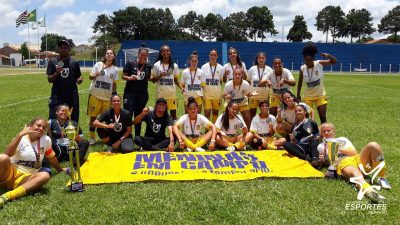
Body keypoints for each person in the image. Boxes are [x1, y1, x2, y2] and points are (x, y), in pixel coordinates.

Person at [317, 122, 391, 203]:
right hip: (343, 162)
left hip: (357, 158)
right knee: (355, 174)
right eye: (324, 131)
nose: (327, 133)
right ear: (321, 133)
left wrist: (337, 149)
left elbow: (354, 153)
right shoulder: (321, 146)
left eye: (329, 130)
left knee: (374, 145)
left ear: (334, 132)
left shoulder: (343, 139)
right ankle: (370, 192)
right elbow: (328, 164)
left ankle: (383, 177)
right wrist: (322, 160)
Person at [0, 118, 64, 208]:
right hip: (9, 173)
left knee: (45, 175)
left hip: (25, 177)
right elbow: (7, 154)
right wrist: (20, 135)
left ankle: (6, 197)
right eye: (38, 125)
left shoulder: (46, 140)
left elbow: (51, 157)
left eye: (44, 128)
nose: (41, 128)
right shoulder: (21, 138)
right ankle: (5, 184)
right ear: (30, 126)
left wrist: (60, 170)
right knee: (3, 157)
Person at [297, 43, 337, 124]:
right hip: (308, 96)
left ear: (313, 59)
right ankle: (308, 134)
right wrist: (298, 95)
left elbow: (334, 62)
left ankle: (325, 135)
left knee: (323, 117)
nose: (307, 62)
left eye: (309, 60)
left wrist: (328, 55)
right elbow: (300, 82)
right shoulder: (302, 68)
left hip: (320, 96)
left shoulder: (319, 63)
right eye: (306, 60)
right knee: (305, 118)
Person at [87, 49, 119, 145]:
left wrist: (114, 94)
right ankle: (92, 138)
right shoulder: (98, 65)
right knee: (93, 118)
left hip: (107, 98)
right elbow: (90, 77)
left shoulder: (115, 69)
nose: (109, 55)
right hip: (95, 96)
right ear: (105, 56)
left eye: (111, 53)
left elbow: (114, 84)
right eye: (107, 53)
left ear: (113, 56)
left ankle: (105, 136)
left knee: (106, 120)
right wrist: (97, 74)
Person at [46, 40, 83, 122]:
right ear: (58, 49)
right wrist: (57, 72)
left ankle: (72, 133)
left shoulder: (74, 62)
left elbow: (78, 77)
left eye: (65, 47)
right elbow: (49, 79)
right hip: (57, 94)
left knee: (73, 117)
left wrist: (79, 80)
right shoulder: (52, 62)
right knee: (54, 117)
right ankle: (54, 134)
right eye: (61, 47)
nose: (63, 49)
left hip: (71, 95)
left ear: (69, 49)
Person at [122, 44, 152, 137]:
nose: (143, 57)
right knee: (128, 114)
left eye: (145, 56)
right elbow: (123, 76)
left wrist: (155, 77)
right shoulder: (130, 63)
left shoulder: (148, 66)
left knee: (139, 115)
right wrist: (130, 78)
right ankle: (127, 135)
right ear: (138, 54)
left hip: (142, 94)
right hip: (130, 93)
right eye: (142, 55)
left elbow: (149, 78)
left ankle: (137, 136)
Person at [150, 45, 184, 120]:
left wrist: (182, 88)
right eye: (164, 51)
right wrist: (160, 75)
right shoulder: (157, 65)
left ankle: (173, 131)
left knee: (174, 117)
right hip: (161, 95)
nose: (166, 52)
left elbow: (175, 80)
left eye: (167, 51)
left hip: (171, 95)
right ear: (161, 53)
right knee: (159, 116)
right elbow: (153, 80)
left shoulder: (174, 66)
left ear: (170, 52)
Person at [201, 49, 225, 123]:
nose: (213, 57)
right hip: (206, 95)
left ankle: (214, 128)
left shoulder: (221, 68)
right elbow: (202, 82)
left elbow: (221, 81)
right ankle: (207, 129)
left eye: (215, 55)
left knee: (215, 113)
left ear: (217, 56)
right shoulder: (204, 67)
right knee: (207, 114)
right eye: (211, 55)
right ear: (209, 56)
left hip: (217, 95)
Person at [247, 52, 272, 119]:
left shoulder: (269, 69)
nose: (261, 59)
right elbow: (248, 80)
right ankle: (252, 128)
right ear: (257, 59)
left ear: (265, 59)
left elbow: (271, 82)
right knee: (252, 114)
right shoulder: (252, 69)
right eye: (259, 58)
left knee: (264, 114)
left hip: (264, 96)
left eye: (262, 58)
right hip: (253, 96)